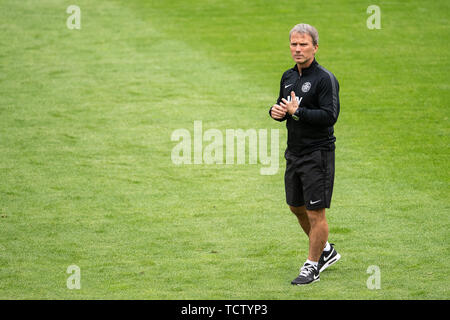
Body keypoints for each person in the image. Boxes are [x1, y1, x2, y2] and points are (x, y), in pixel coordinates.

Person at [269, 23, 341, 285]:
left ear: (315, 47)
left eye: (303, 44)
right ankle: (326, 251)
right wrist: (275, 112)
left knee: (315, 213)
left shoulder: (324, 79)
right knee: (295, 206)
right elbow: (283, 106)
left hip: (317, 153)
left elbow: (330, 116)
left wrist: (296, 113)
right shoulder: (288, 76)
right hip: (294, 153)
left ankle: (312, 266)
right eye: (293, 44)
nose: (297, 49)